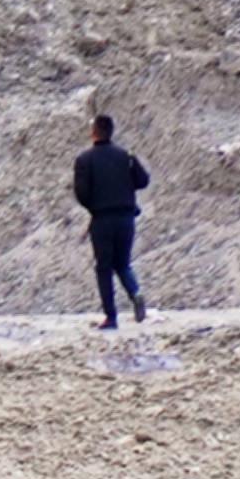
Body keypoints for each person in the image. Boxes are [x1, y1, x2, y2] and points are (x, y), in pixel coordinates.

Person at [73, 110, 153, 327]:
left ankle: (111, 317)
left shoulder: (84, 160)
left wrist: (95, 206)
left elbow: (81, 193)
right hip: (127, 217)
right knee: (123, 263)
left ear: (94, 133)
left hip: (102, 219)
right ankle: (135, 292)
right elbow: (143, 180)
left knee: (104, 268)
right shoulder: (126, 156)